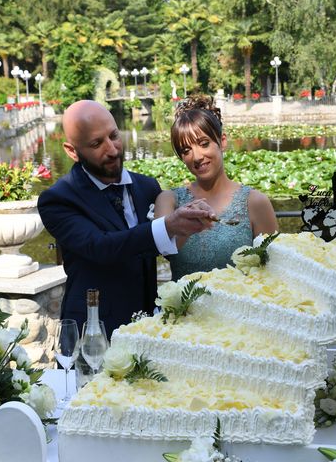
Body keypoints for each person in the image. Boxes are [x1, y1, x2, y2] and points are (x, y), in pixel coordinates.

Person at [38, 100, 214, 336]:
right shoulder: (58, 199)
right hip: (92, 333)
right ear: (72, 151)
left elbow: (161, 249)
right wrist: (169, 225)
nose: (112, 150)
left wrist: (188, 222)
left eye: (114, 136)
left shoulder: (147, 186)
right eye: (97, 143)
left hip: (148, 329)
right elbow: (101, 247)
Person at [154, 96, 278, 280]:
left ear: (222, 141)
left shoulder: (255, 202)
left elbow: (274, 269)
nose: (197, 156)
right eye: (186, 151)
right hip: (186, 307)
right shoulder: (168, 200)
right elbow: (163, 250)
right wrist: (184, 222)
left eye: (204, 144)